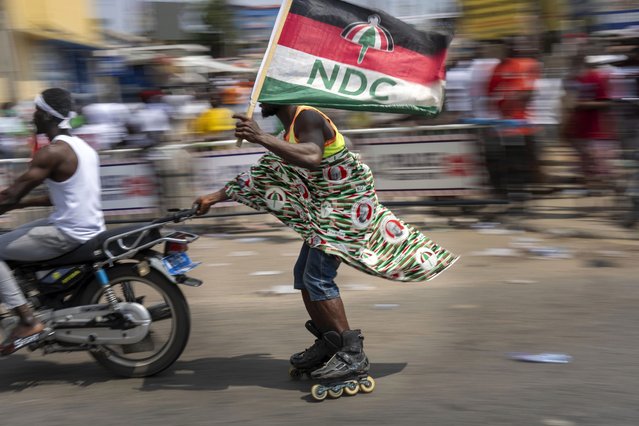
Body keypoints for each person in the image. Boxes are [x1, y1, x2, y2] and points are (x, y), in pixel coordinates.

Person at [194, 104, 457, 385]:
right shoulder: (287, 132)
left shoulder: (307, 117)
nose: (259, 102)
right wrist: (213, 197)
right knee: (304, 278)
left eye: (266, 93)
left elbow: (312, 157)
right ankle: (330, 342)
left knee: (317, 278)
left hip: (346, 211)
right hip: (327, 215)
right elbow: (262, 176)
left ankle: (352, 353)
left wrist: (260, 138)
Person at [0, 88, 105, 355]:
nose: (32, 116)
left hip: (68, 233)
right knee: (10, 236)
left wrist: (12, 201)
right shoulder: (84, 148)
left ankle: (27, 320)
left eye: (36, 111)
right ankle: (35, 299)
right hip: (87, 227)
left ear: (47, 115)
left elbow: (12, 193)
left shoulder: (52, 152)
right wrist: (18, 204)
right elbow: (57, 196)